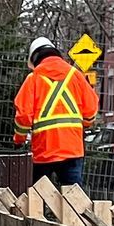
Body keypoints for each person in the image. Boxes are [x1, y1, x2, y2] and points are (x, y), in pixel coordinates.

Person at [12, 37, 98, 188]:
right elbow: (91, 109)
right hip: (72, 149)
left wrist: (19, 139)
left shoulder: (33, 79)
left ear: (35, 58)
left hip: (44, 150)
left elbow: (24, 116)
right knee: (74, 200)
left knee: (37, 198)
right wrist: (83, 124)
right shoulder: (75, 75)